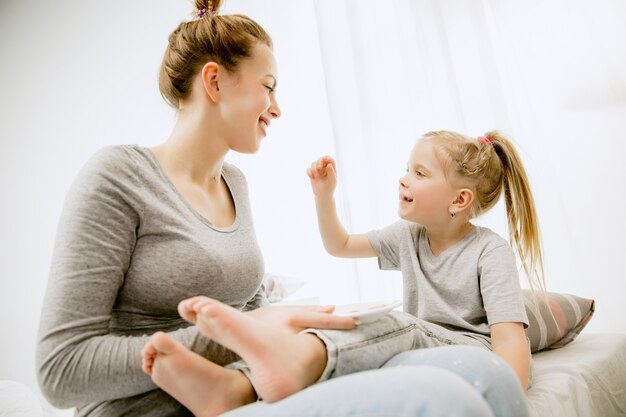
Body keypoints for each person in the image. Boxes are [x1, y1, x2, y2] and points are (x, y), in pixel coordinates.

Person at [35, 1, 358, 415]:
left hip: (246, 395)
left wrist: (275, 327)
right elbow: (61, 370)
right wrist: (237, 335)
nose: (277, 108)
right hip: (148, 408)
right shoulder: (118, 176)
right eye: (268, 85)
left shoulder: (234, 183)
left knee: (387, 334)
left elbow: (251, 309)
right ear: (214, 82)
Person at [140, 128, 536, 417]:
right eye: (406, 169)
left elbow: (509, 339)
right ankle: (238, 387)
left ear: (459, 200)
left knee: (395, 323)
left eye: (420, 173)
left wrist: (510, 394)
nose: (403, 178)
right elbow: (340, 245)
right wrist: (325, 197)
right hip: (418, 345)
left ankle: (274, 370)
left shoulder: (489, 251)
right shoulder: (409, 236)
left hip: (466, 352)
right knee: (362, 329)